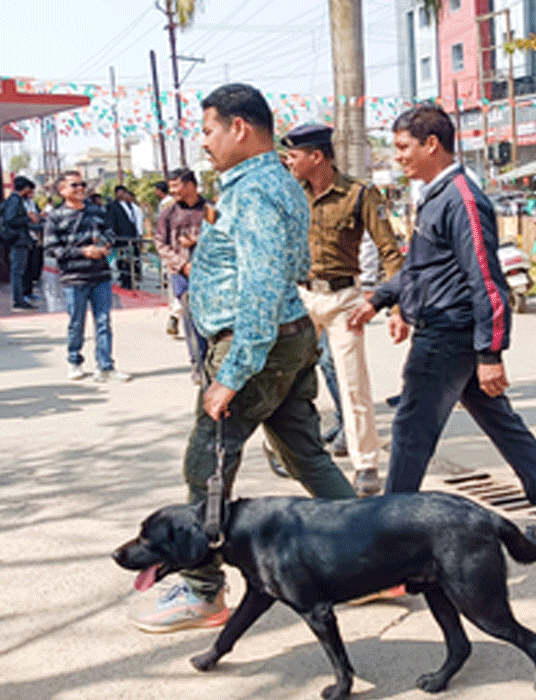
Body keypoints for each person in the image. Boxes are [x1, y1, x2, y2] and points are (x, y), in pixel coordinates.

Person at [128, 83, 357, 634]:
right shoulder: (276, 181)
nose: (202, 143)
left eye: (207, 130)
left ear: (239, 128)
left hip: (256, 342)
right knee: (306, 455)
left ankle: (204, 590)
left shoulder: (254, 191)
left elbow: (259, 286)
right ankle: (373, 556)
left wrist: (232, 373)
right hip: (287, 336)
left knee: (206, 465)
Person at [348, 104, 536, 543]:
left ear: (431, 144)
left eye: (403, 147)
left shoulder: (463, 199)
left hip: (449, 335)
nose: (397, 156)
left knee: (411, 431)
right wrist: (382, 298)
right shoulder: (435, 196)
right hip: (447, 330)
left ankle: (387, 539)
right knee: (501, 425)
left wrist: (490, 353)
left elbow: (487, 281)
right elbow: (423, 268)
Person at [282, 123, 404, 497]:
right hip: (300, 297)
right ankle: (286, 450)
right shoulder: (290, 193)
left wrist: (395, 306)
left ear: (316, 156)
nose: (288, 161)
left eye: (294, 155)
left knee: (353, 385)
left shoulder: (359, 194)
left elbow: (389, 252)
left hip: (343, 301)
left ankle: (365, 463)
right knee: (287, 379)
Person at [44, 171, 130, 382]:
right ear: (62, 190)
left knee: (103, 321)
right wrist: (83, 252)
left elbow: (110, 233)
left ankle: (106, 366)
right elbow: (51, 248)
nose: (80, 188)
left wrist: (101, 247)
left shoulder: (97, 211)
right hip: (74, 278)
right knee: (76, 322)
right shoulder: (55, 217)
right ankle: (74, 361)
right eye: (74, 185)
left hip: (100, 275)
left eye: (83, 184)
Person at [154, 168, 209, 383]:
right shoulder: (168, 213)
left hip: (210, 273)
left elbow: (223, 237)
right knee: (191, 319)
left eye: (176, 185)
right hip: (182, 274)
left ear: (191, 185)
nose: (172, 191)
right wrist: (182, 264)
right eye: (171, 186)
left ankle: (214, 362)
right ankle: (197, 363)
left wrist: (199, 242)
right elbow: (160, 244)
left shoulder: (210, 209)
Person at [0, 177, 39, 310]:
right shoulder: (15, 201)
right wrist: (28, 217)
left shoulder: (14, 200)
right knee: (18, 271)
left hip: (18, 239)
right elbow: (11, 220)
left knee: (19, 271)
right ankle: (19, 300)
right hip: (18, 240)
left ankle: (20, 298)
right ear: (26, 188)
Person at [107, 185, 143, 290]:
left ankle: (132, 281)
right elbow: (111, 222)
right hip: (121, 239)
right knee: (122, 261)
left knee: (132, 261)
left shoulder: (131, 205)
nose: (122, 194)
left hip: (132, 238)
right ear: (116, 194)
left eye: (124, 192)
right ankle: (125, 282)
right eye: (119, 192)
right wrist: (113, 236)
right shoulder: (112, 206)